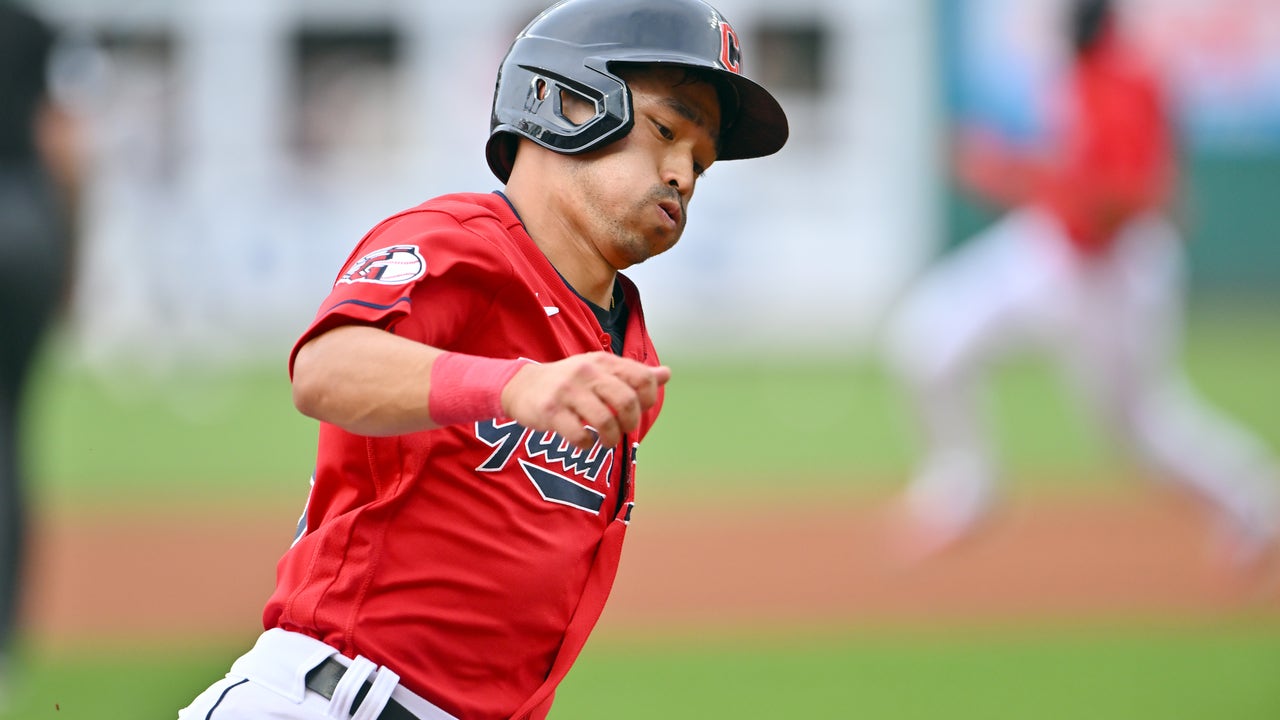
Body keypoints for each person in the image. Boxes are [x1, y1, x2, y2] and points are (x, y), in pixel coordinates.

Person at [178, 1, 787, 718]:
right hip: (338, 698)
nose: (683, 176)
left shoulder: (625, 341)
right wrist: (513, 384)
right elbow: (325, 369)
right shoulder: (461, 241)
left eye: (700, 164)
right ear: (566, 100)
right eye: (665, 130)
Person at [882, 0, 1279, 567]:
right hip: (1051, 251)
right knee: (928, 335)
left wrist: (1009, 173)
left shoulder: (1127, 83)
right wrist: (1025, 173)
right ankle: (965, 488)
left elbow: (1127, 202)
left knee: (1140, 430)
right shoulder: (1080, 73)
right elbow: (1078, 180)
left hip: (1116, 275)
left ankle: (1254, 502)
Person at [0, 0, 84, 694]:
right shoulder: (30, 26)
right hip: (25, 226)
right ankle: (4, 638)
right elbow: (65, 144)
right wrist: (71, 260)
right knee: (7, 437)